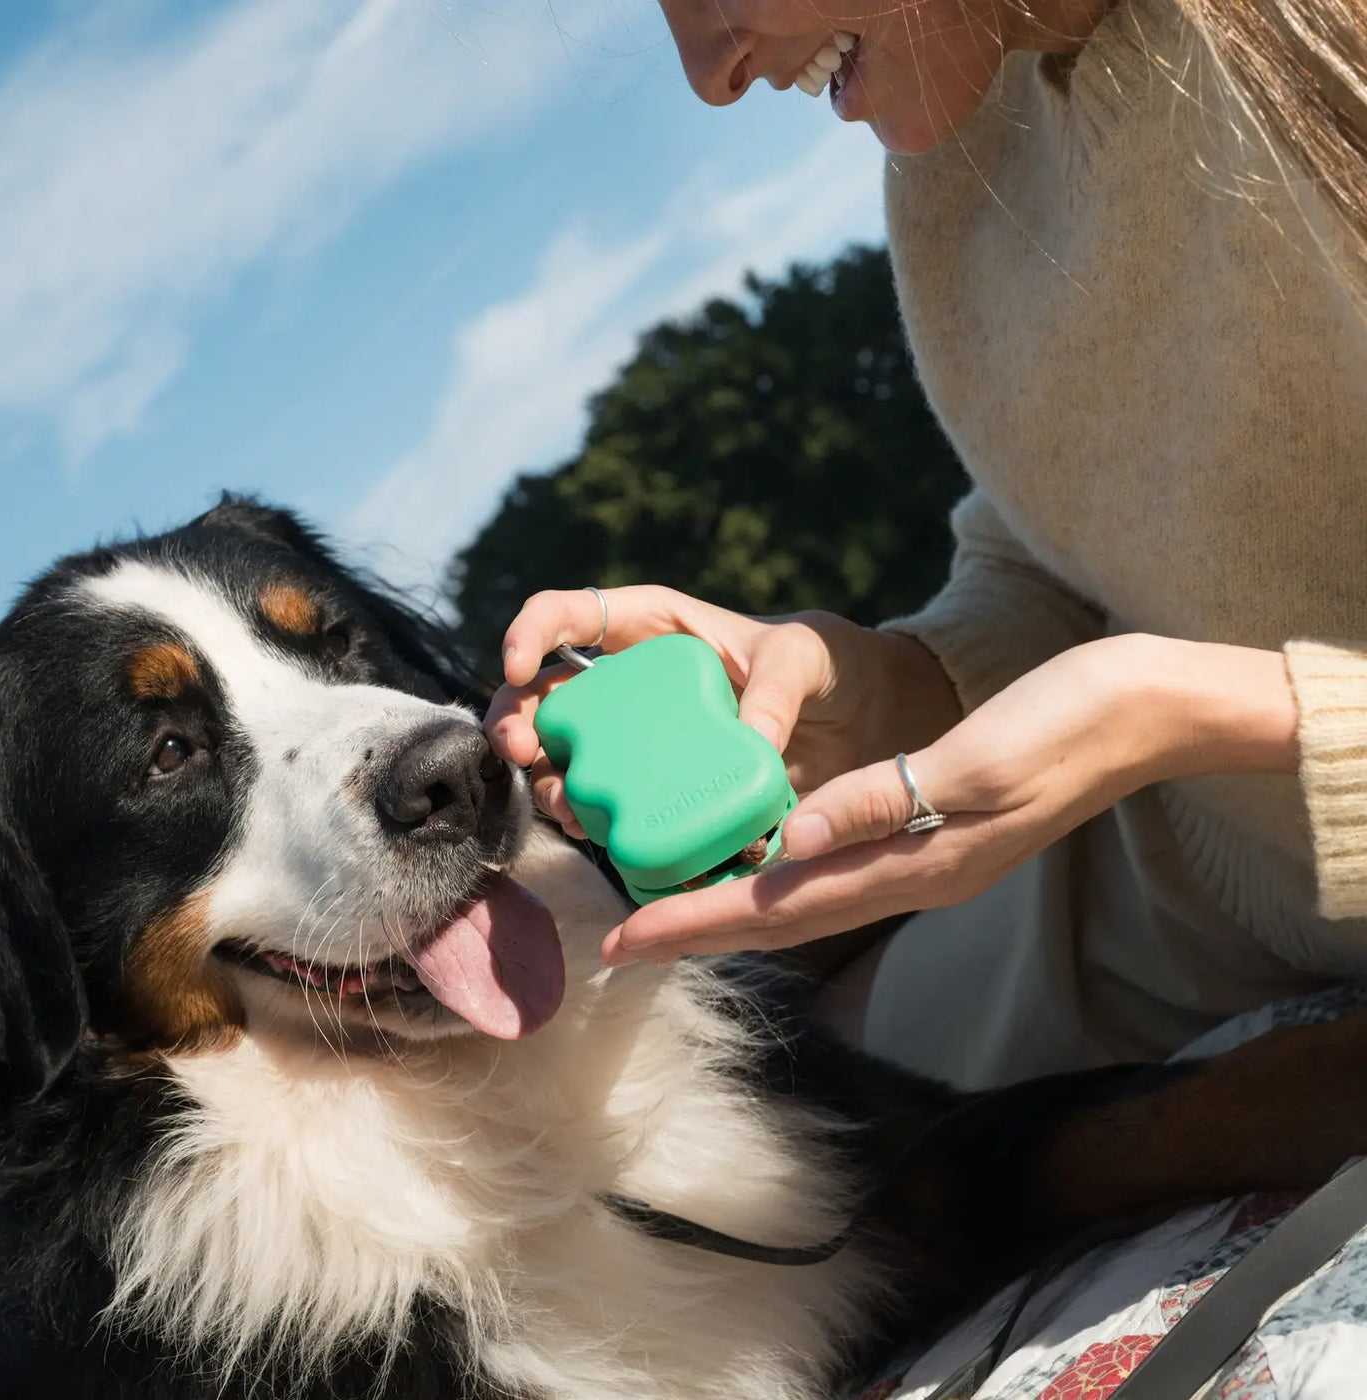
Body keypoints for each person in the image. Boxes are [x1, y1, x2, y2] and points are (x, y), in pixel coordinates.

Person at [485, 0, 1367, 1092]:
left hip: (1249, 827)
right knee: (801, 1111)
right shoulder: (963, 152)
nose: (710, 75)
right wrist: (875, 692)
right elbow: (1063, 547)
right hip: (1205, 877)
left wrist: (1173, 713)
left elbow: (1147, 695)